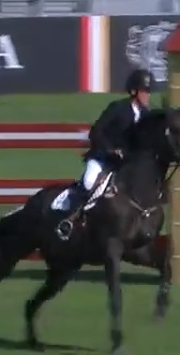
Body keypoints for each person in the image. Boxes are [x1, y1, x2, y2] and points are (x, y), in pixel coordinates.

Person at [56, 68, 153, 239]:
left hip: (125, 165)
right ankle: (71, 220)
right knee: (88, 183)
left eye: (149, 91)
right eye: (144, 91)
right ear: (133, 91)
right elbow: (96, 132)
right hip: (102, 159)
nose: (148, 96)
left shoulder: (146, 116)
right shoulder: (118, 108)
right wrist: (110, 150)